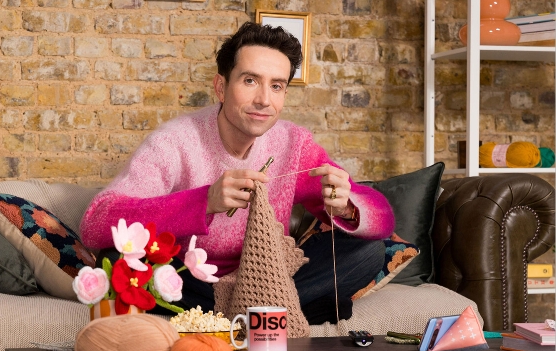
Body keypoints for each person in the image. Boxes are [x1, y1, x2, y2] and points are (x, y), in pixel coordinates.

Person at [80, 22, 395, 324]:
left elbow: (383, 221)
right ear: (221, 86)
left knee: (369, 251)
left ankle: (246, 315)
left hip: (269, 277)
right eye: (250, 81)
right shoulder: (173, 142)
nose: (264, 100)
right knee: (119, 258)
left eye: (276, 86)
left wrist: (345, 206)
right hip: (194, 284)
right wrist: (205, 201)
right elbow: (96, 223)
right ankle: (271, 316)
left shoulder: (294, 145)